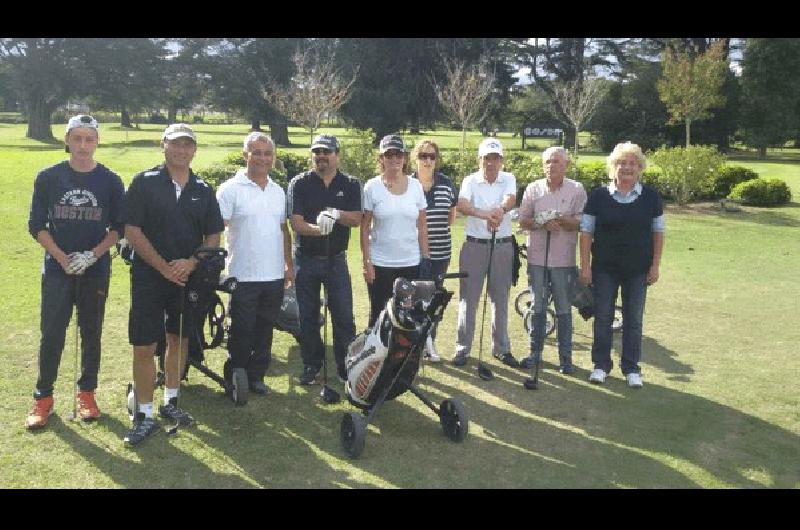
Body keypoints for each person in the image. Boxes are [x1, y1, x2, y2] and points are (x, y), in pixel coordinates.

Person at [122, 123, 224, 445]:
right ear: (163, 145)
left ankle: (171, 402)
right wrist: (164, 267)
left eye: (187, 145)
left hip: (186, 278)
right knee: (144, 345)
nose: (181, 150)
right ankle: (145, 415)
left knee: (178, 339)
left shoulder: (203, 189)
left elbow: (212, 234)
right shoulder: (144, 182)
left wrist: (193, 262)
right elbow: (132, 231)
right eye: (175, 144)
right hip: (149, 277)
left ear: (194, 150)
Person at [25, 114, 125, 429]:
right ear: (67, 139)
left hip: (95, 270)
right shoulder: (48, 177)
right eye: (77, 138)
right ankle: (43, 398)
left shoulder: (110, 180)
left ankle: (87, 394)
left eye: (89, 139)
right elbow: (36, 225)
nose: (83, 145)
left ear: (97, 142)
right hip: (57, 270)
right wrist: (62, 257)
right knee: (52, 333)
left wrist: (92, 256)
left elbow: (119, 227)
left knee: (91, 332)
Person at [579, 141, 665, 388]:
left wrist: (655, 265)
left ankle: (631, 368)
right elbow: (586, 232)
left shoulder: (650, 197)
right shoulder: (598, 196)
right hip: (604, 267)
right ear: (613, 167)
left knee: (634, 320)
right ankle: (600, 365)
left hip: (638, 269)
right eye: (622, 163)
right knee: (603, 317)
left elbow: (658, 232)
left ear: (640, 168)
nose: (627, 168)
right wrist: (585, 266)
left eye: (632, 163)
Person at [216, 132, 293, 399]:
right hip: (243, 274)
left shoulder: (278, 190)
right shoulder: (229, 190)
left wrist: (288, 264)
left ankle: (257, 376)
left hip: (273, 274)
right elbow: (217, 231)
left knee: (265, 328)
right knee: (241, 330)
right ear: (245, 155)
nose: (262, 158)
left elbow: (284, 230)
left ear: (273, 158)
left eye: (267, 153)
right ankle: (235, 377)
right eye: (256, 152)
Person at [288, 134, 362, 385]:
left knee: (343, 315)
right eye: (316, 152)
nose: (321, 156)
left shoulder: (350, 183)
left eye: (326, 152)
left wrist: (336, 214)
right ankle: (312, 363)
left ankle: (345, 366)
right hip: (305, 259)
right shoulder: (299, 183)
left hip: (335, 260)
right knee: (307, 317)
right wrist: (320, 229)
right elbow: (296, 223)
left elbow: (356, 218)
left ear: (337, 155)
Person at [517, 147, 586, 374]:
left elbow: (582, 221)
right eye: (547, 161)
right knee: (537, 306)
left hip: (563, 260)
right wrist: (541, 223)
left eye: (556, 161)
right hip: (537, 257)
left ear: (565, 165)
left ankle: (565, 359)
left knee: (564, 309)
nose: (551, 165)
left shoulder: (576, 189)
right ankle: (534, 354)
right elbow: (523, 219)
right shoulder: (533, 189)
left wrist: (561, 220)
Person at [453, 138, 519, 368]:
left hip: (501, 245)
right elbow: (462, 204)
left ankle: (501, 348)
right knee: (468, 299)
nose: (491, 163)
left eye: (495, 158)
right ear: (479, 159)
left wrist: (499, 211)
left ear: (501, 160)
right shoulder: (470, 180)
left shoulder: (508, 178)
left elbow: (511, 198)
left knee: (500, 299)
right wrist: (485, 215)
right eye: (486, 158)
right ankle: (463, 348)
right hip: (474, 246)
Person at [361, 134, 430, 329]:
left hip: (410, 263)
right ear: (381, 159)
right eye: (389, 155)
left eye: (398, 154)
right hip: (380, 263)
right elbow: (364, 227)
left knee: (407, 316)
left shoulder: (416, 186)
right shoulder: (372, 187)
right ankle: (376, 359)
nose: (394, 159)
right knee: (379, 315)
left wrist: (426, 258)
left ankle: (404, 360)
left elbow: (422, 226)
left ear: (405, 158)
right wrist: (367, 262)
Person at [410, 139, 457, 363]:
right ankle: (412, 346)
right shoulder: (407, 183)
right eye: (423, 156)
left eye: (432, 156)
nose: (428, 160)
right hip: (413, 252)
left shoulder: (446, 183)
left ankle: (429, 344)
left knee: (434, 301)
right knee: (414, 299)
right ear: (415, 158)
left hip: (441, 253)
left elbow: (451, 217)